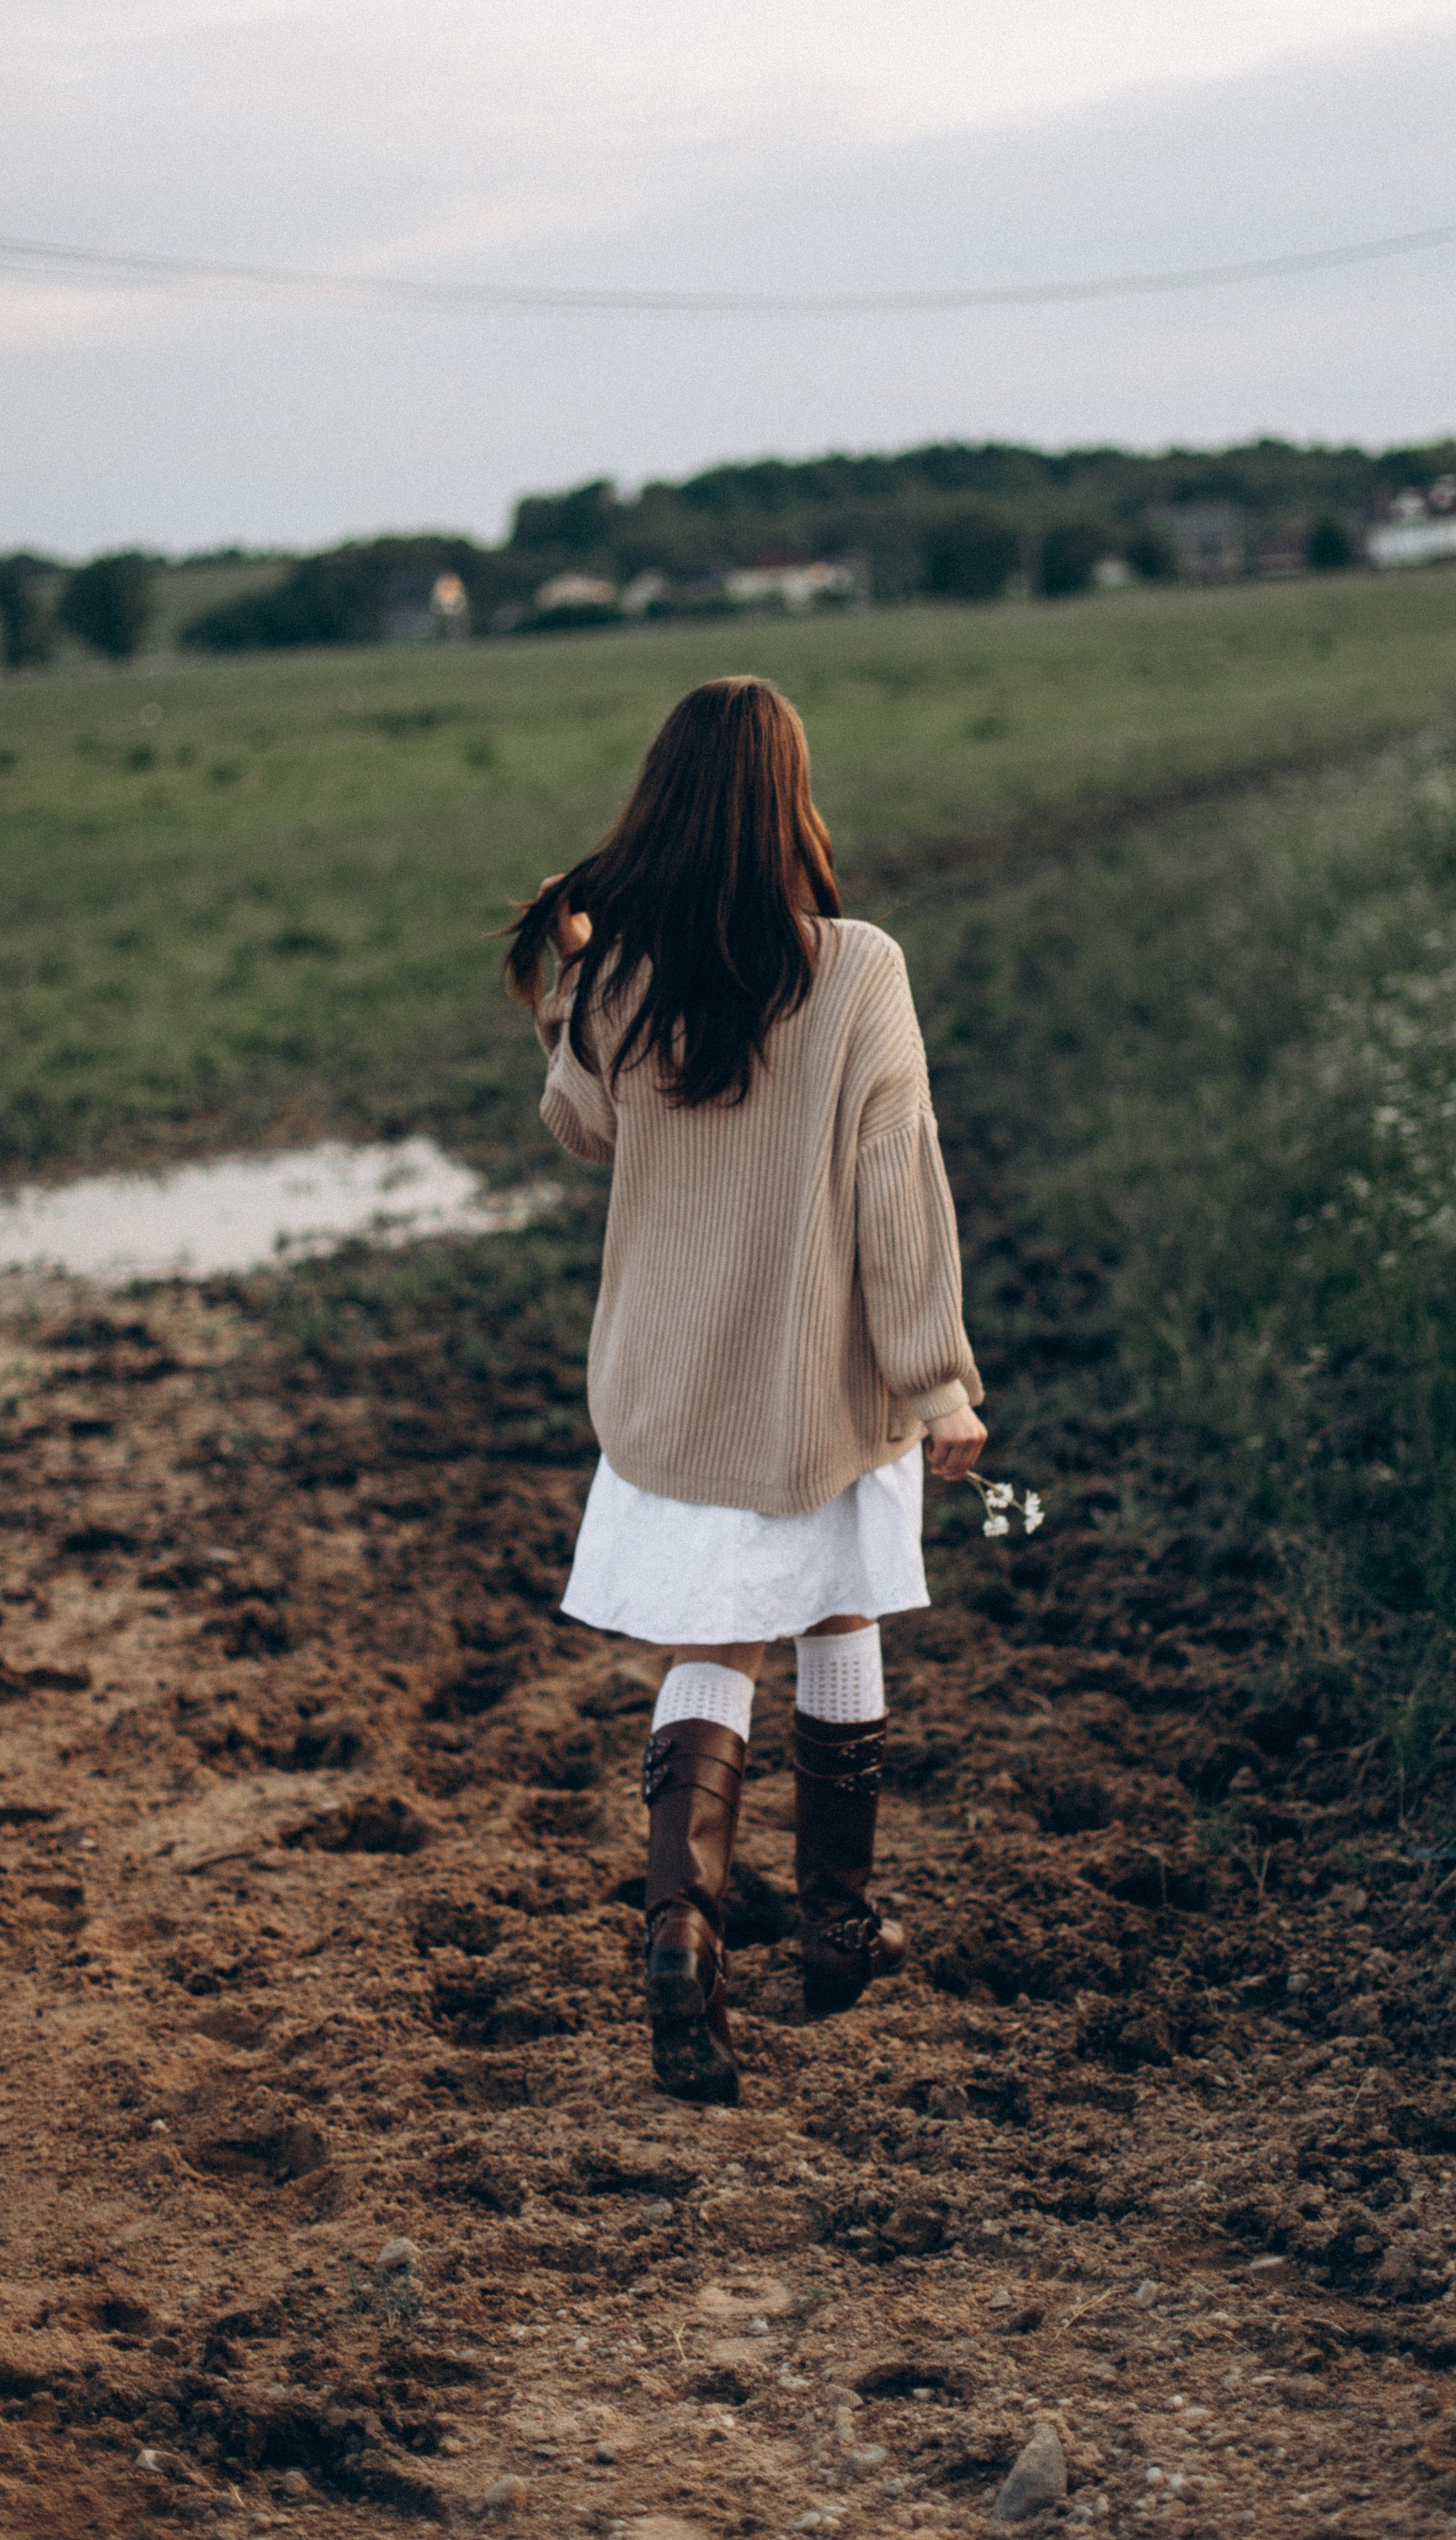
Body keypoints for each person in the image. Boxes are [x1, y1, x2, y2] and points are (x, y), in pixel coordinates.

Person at [506, 676, 985, 2105]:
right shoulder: (858, 968)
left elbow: (581, 1130)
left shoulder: (624, 978)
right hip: (819, 1382)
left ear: (660, 805)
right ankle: (836, 1926)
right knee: (838, 1610)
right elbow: (898, 1184)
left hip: (672, 1382)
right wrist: (939, 1384)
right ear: (789, 802)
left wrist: (571, 985)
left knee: (713, 1645)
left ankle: (681, 1942)